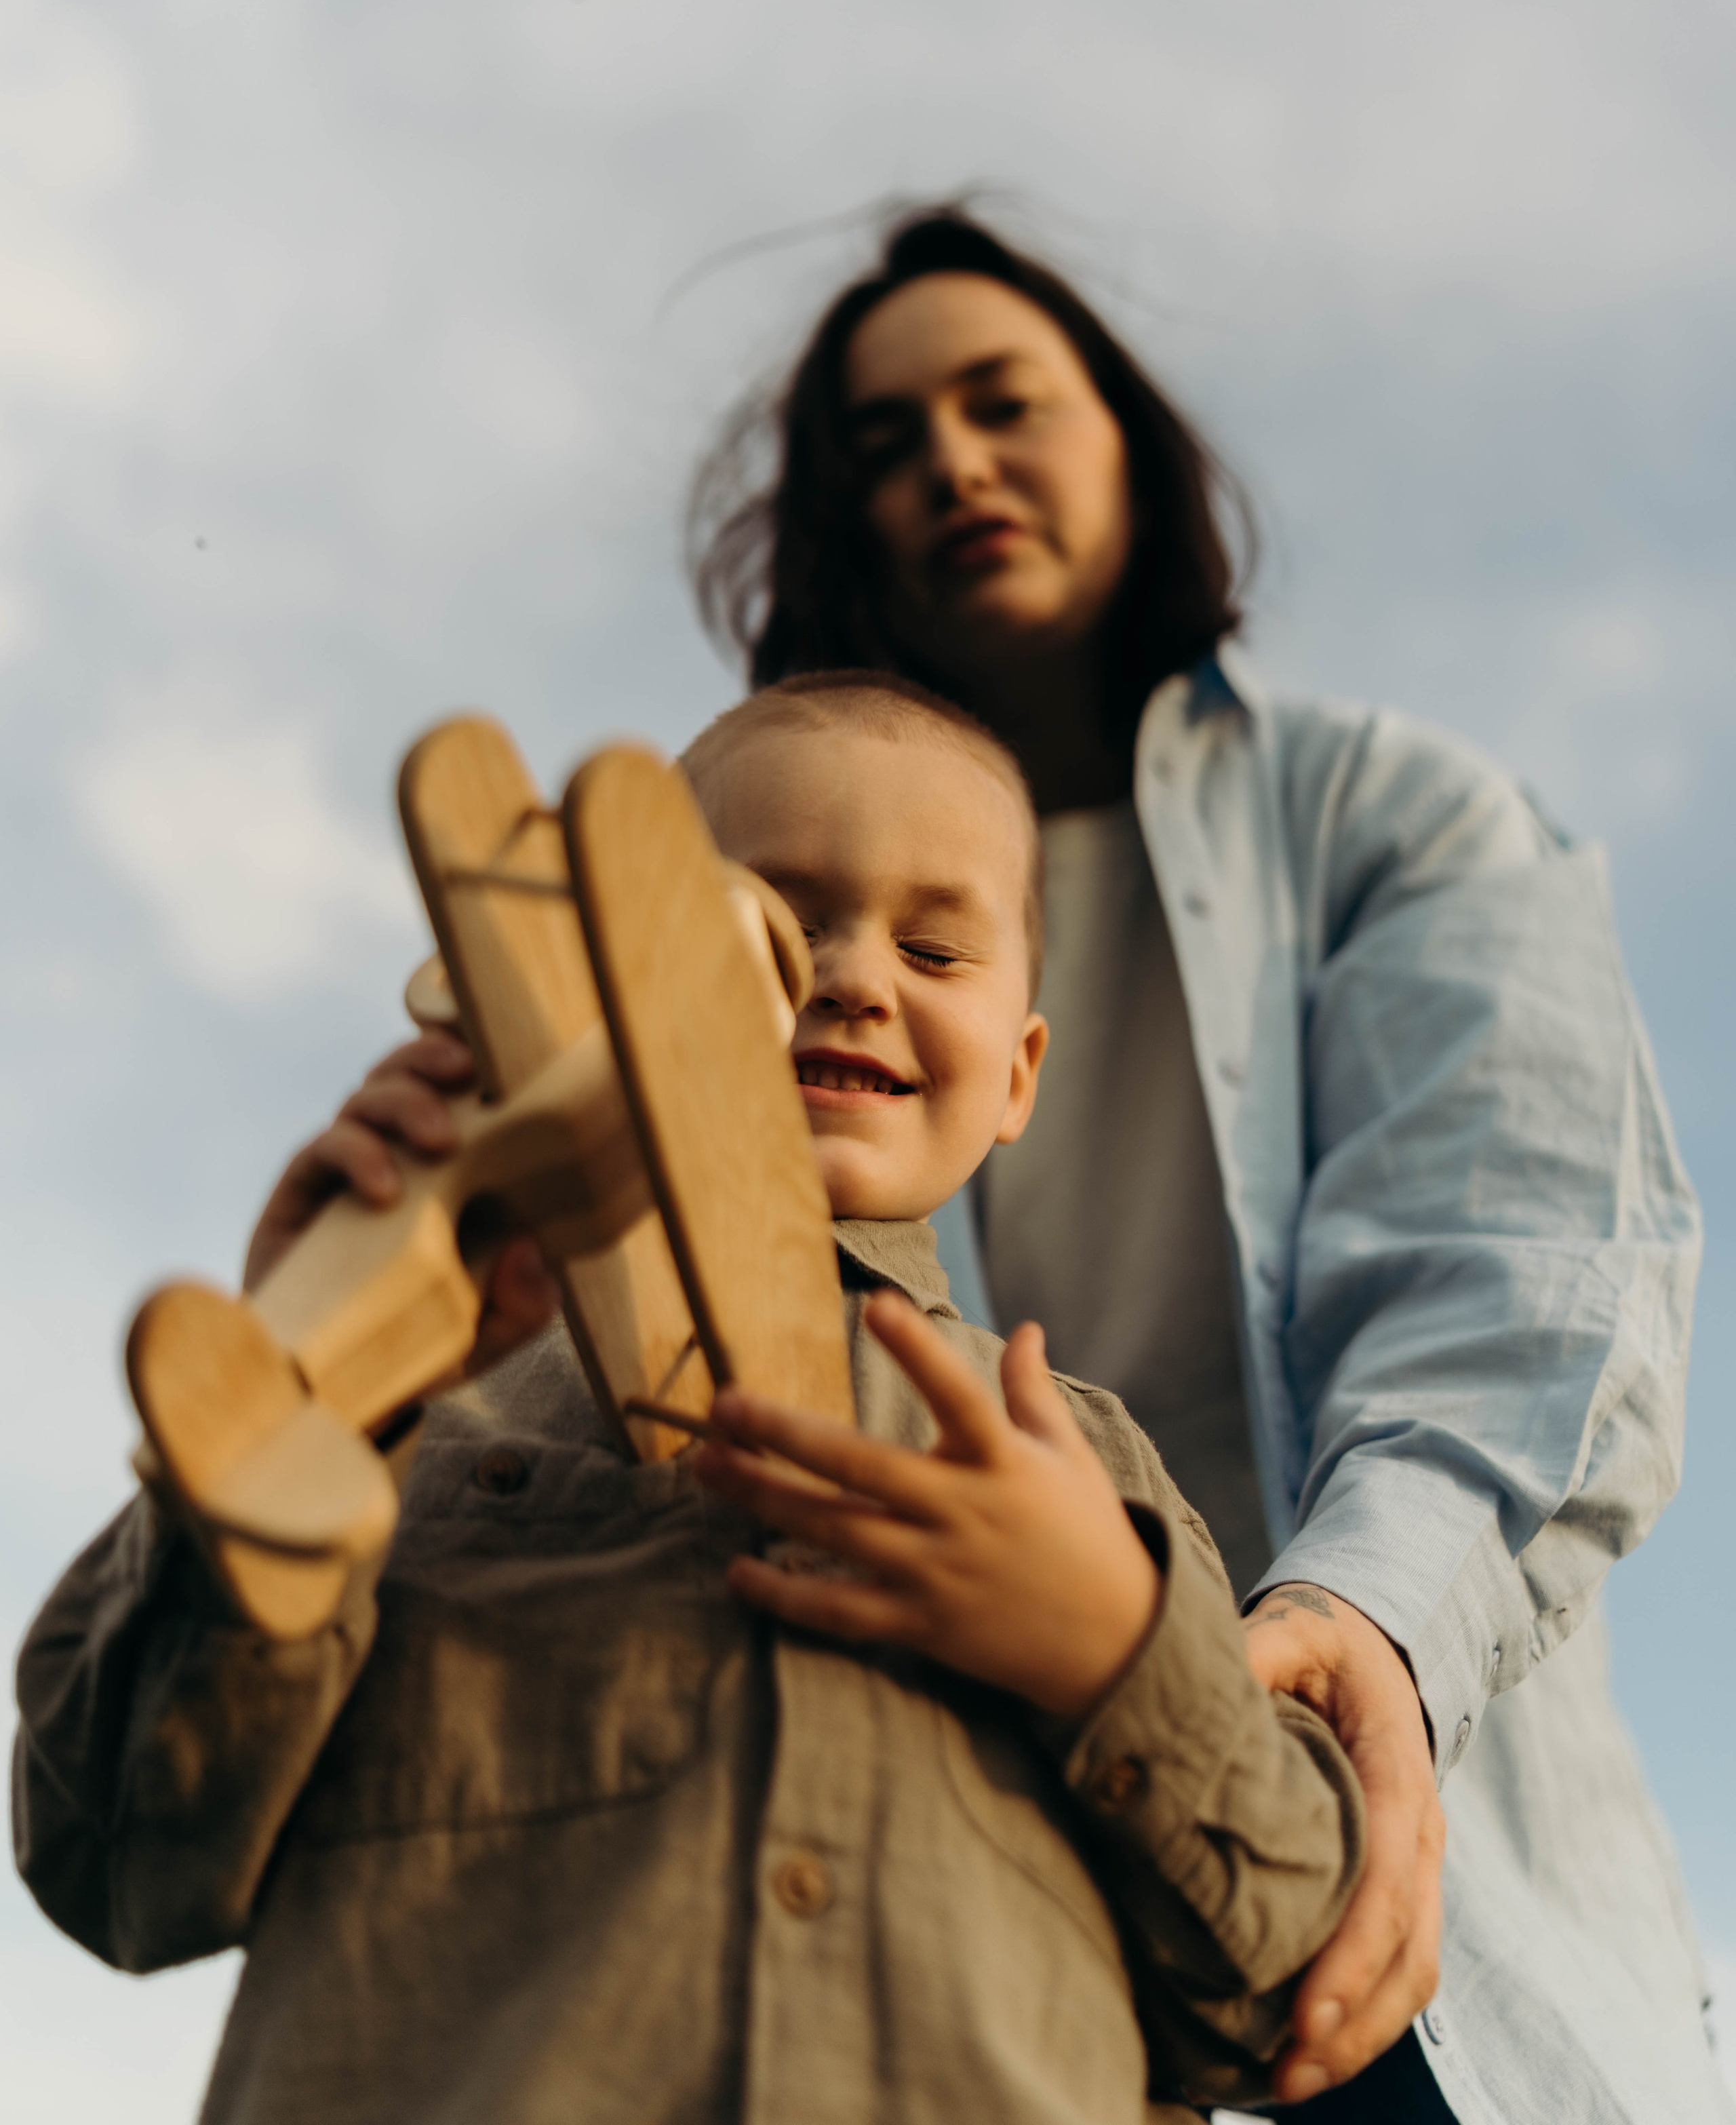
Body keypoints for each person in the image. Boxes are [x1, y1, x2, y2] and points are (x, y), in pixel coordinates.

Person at [688, 206, 1721, 2123]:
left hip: (1396, 1912)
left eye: (1004, 402)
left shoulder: (1389, 817)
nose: (952, 464)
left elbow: (1526, 1270)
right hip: (975, 1958)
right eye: (884, 443)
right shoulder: (730, 954)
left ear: (1131, 448)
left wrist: (1371, 1634)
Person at [14, 678, 1366, 2125]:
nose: (850, 977)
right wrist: (308, 1398)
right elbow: (117, 1862)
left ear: (1019, 1073)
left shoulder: (1083, 1466)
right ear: (591, 975)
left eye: (930, 944)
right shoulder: (440, 1404)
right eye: (767, 932)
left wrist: (1110, 1650)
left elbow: (1285, 1996)